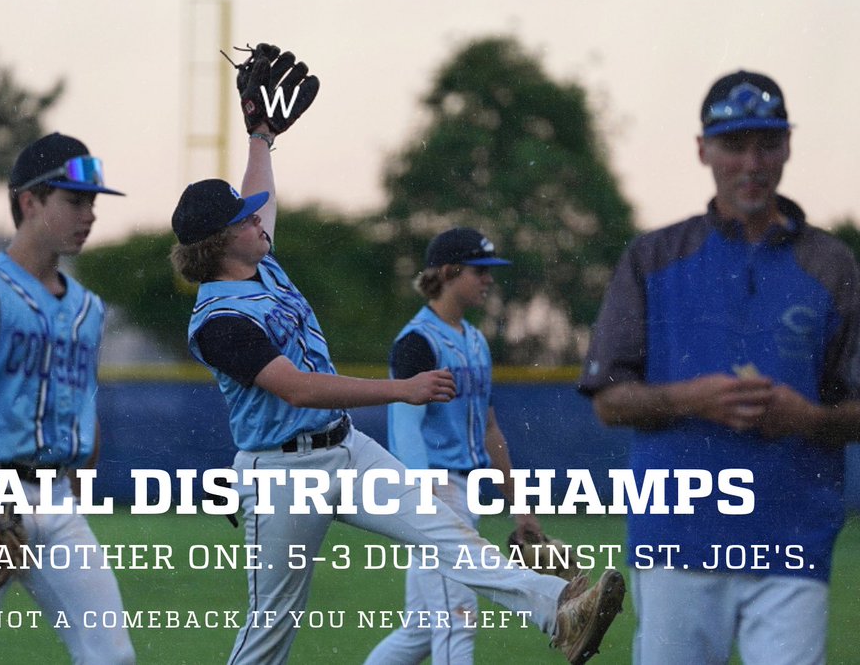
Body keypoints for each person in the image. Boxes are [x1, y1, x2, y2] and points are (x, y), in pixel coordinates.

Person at [170, 115, 624, 664]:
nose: (258, 221)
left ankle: (560, 611)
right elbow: (299, 390)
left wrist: (261, 138)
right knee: (272, 627)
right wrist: (400, 389)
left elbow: (259, 201)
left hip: (345, 447)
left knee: (445, 531)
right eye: (244, 221)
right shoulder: (218, 321)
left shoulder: (260, 265)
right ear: (221, 242)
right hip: (281, 474)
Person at [579, 70, 860, 665]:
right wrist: (692, 399)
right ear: (703, 149)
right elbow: (608, 400)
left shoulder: (833, 264)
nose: (751, 162)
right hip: (676, 537)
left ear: (788, 145)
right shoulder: (652, 257)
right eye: (734, 145)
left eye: (766, 143)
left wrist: (806, 417)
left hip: (793, 539)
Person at [0, 132, 134, 664]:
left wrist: (77, 482)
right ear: (29, 201)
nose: (88, 215)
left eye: (91, 203)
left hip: (57, 500)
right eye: (73, 200)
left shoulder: (88, 309)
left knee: (112, 655)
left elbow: (83, 407)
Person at [366, 227, 551, 664]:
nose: (488, 279)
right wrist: (423, 498)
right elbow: (404, 425)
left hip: (463, 491)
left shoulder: (473, 339)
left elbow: (490, 429)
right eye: (480, 270)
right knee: (456, 620)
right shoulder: (418, 341)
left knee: (422, 631)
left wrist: (519, 504)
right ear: (450, 272)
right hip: (436, 488)